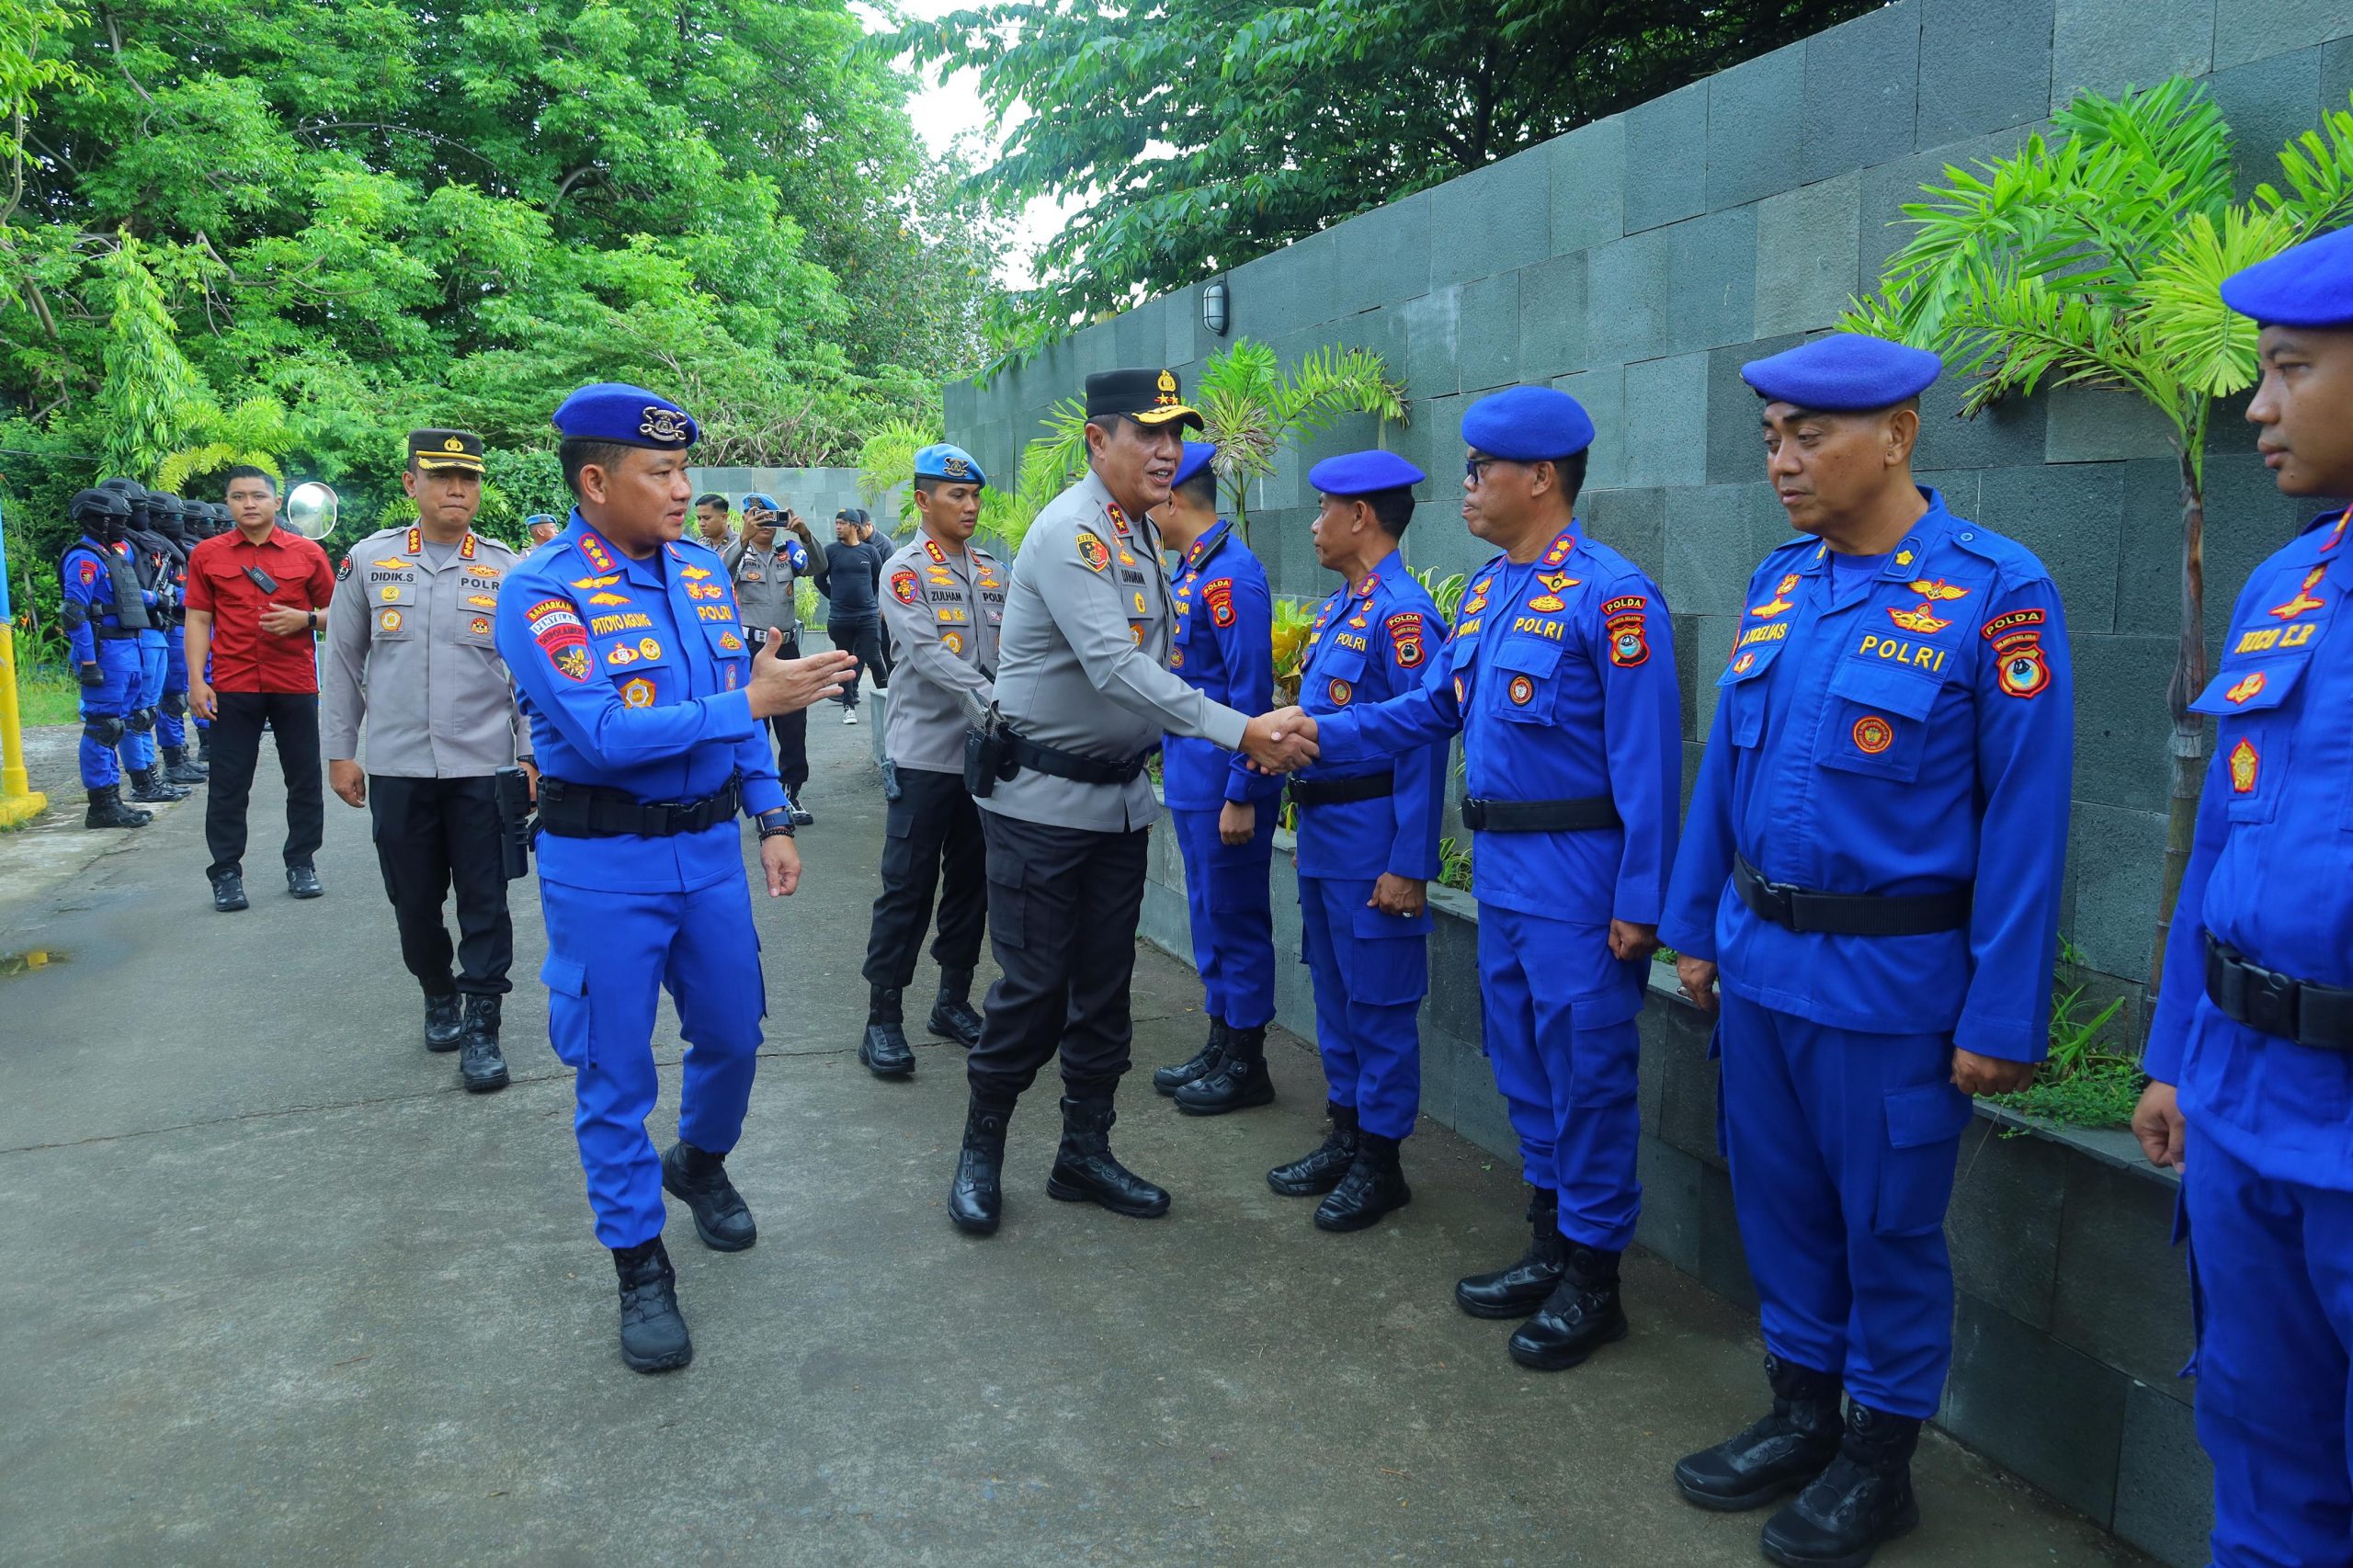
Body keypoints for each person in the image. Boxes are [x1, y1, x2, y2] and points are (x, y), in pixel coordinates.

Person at [1651, 335, 2072, 1568]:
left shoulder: (1996, 590)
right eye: (1771, 437)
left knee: (1886, 1229)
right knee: (1780, 1208)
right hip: (1762, 969)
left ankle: (1879, 1460)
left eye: (1809, 435)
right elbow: (1724, 771)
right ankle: (1802, 1416)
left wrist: (2002, 1013)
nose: (1781, 460)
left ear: (1897, 435)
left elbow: (2028, 819)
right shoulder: (1782, 581)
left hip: (1891, 988)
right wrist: (1692, 926)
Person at [1271, 389, 1682, 1316]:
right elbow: (1431, 707)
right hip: (1504, 873)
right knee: (1525, 1066)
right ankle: (1550, 1241)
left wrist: (1641, 898)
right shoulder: (1493, 590)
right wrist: (1320, 731)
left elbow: (1650, 763)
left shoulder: (1612, 595)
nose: (1463, 484)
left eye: (1479, 468)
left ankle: (1594, 1278)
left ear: (1539, 477)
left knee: (1586, 1074)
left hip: (1578, 875)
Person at [494, 382, 855, 1373]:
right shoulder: (542, 590)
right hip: (602, 867)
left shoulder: (700, 571)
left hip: (708, 857)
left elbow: (733, 704)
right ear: (596, 480)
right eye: (662, 472)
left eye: (684, 469)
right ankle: (639, 1263)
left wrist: (769, 814)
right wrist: (753, 701)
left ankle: (698, 1161)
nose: (684, 488)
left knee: (734, 1034)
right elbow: (607, 735)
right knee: (615, 1069)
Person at [944, 366, 1304, 1238]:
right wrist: (1243, 731)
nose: (1168, 450)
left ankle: (1085, 1151)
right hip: (1040, 807)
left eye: (1176, 433)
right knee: (1034, 989)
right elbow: (1114, 667)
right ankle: (981, 1150)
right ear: (1098, 440)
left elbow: (1153, 666)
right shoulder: (1074, 531)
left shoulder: (1137, 530)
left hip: (1115, 804)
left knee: (1105, 990)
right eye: (1149, 432)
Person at [2129, 226, 2353, 1568]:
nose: (2257, 405)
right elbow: (2220, 846)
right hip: (2246, 1108)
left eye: (2290, 368)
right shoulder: (2284, 586)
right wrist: (2173, 1058)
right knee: (2264, 1475)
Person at [1244, 450, 1448, 1230]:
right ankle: (1348, 1132)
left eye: (1324, 508)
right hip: (1330, 836)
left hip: (1373, 840)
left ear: (1361, 515)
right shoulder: (1342, 609)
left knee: (1379, 1002)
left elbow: (1424, 742)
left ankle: (1382, 1161)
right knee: (1335, 991)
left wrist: (1408, 862)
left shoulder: (1404, 615)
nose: (1315, 523)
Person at [322, 429, 531, 1093]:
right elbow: (342, 662)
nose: (457, 490)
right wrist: (339, 753)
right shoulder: (369, 560)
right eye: (442, 477)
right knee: (413, 901)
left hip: (483, 768)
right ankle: (438, 990)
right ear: (412, 483)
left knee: (486, 900)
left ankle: (482, 1024)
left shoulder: (507, 569)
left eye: (468, 479)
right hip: (399, 767)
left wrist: (530, 755)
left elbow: (530, 672)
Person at [1144, 441, 1286, 1117]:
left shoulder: (1231, 577)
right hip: (1192, 777)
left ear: (1174, 496)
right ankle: (1221, 1038)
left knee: (1236, 917)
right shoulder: (1193, 571)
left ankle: (1248, 1060)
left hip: (1224, 785)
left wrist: (1241, 792)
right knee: (1209, 913)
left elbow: (1251, 697)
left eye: (1154, 493)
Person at [858, 445, 1004, 1077]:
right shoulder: (904, 571)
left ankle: (952, 1001)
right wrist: (998, 702)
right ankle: (882, 1018)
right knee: (908, 887)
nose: (970, 507)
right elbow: (924, 652)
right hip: (924, 758)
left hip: (985, 757)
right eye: (956, 495)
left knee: (972, 885)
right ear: (923, 500)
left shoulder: (994, 571)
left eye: (974, 496)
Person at [185, 465, 337, 913]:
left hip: (294, 682)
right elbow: (198, 618)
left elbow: (341, 612)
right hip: (232, 684)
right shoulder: (208, 555)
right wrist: (196, 680)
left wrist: (305, 619)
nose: (248, 504)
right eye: (238, 497)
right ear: (227, 503)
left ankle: (302, 863)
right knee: (228, 783)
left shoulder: (307, 553)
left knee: (303, 778)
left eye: (257, 495)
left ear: (276, 501)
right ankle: (226, 873)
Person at [58, 488, 158, 830]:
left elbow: (127, 596)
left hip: (128, 648)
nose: (123, 526)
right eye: (117, 520)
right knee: (104, 727)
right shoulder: (83, 558)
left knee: (123, 724)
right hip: (106, 652)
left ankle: (114, 800)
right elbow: (74, 612)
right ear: (97, 521)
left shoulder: (111, 554)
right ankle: (102, 805)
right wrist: (88, 662)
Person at [721, 493, 817, 822]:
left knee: (793, 722)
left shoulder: (788, 553)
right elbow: (717, 576)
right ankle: (759, 795)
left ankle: (792, 793)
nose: (764, 524)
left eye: (770, 517)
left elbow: (819, 567)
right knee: (753, 724)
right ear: (746, 519)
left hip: (786, 648)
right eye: (757, 517)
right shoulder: (736, 553)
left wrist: (804, 535)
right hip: (751, 649)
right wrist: (742, 540)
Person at [117, 488, 193, 807]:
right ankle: (144, 780)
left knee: (153, 709)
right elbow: (123, 591)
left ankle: (159, 771)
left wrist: (166, 597)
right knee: (135, 716)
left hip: (157, 628)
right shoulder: (121, 548)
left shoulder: (154, 545)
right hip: (134, 634)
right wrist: (157, 598)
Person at [145, 493, 209, 784]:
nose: (179, 523)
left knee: (178, 697)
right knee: (169, 701)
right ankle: (172, 761)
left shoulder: (176, 548)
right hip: (170, 626)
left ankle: (181, 757)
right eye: (175, 518)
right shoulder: (150, 548)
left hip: (180, 626)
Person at [812, 509, 888, 724]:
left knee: (874, 658)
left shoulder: (870, 552)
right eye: (836, 523)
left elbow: (879, 580)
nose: (837, 527)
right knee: (845, 662)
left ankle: (889, 704)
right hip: (841, 618)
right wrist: (835, 597)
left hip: (868, 617)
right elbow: (819, 580)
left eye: (842, 523)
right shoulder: (830, 551)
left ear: (855, 526)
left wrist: (872, 601)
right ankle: (848, 706)